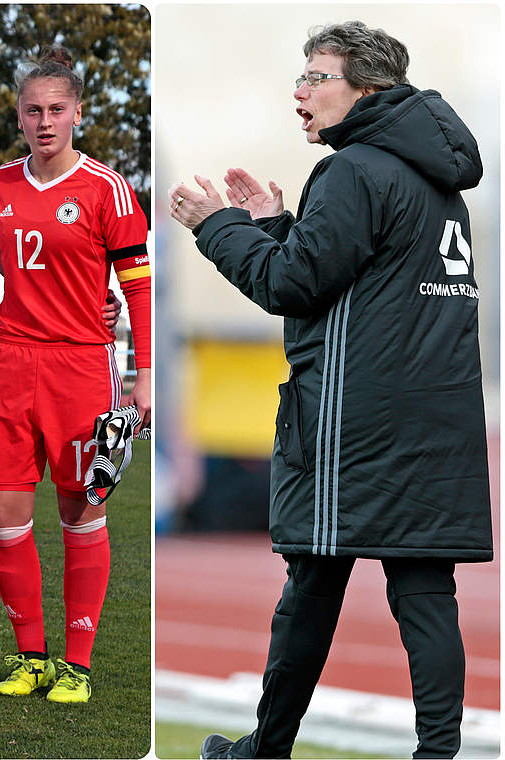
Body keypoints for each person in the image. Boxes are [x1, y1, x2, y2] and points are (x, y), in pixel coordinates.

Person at [167, 21, 489, 758]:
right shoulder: (435, 177)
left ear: (366, 89)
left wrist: (215, 226)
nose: (300, 91)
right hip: (435, 419)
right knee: (424, 593)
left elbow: (291, 284)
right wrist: (277, 223)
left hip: (354, 422)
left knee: (310, 586)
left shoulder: (354, 169)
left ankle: (266, 748)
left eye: (316, 76)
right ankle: (432, 753)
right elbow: (347, 284)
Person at [0, 46, 151, 705]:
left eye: (57, 109)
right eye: (33, 110)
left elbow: (137, 288)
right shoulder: (0, 183)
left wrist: (143, 378)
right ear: (19, 118)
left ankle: (76, 664)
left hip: (83, 369)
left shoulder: (107, 187)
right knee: (3, 516)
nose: (45, 120)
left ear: (78, 113)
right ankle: (31, 658)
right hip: (12, 366)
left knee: (82, 513)